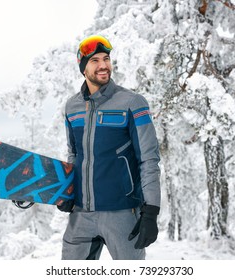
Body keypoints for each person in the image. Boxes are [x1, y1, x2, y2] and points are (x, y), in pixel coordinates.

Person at [58, 35, 161, 260]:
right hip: (81, 215)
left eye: (106, 59)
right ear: (83, 68)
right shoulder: (72, 107)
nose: (103, 65)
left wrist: (151, 211)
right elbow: (74, 154)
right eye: (95, 60)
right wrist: (67, 190)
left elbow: (149, 159)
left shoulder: (132, 103)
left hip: (122, 214)